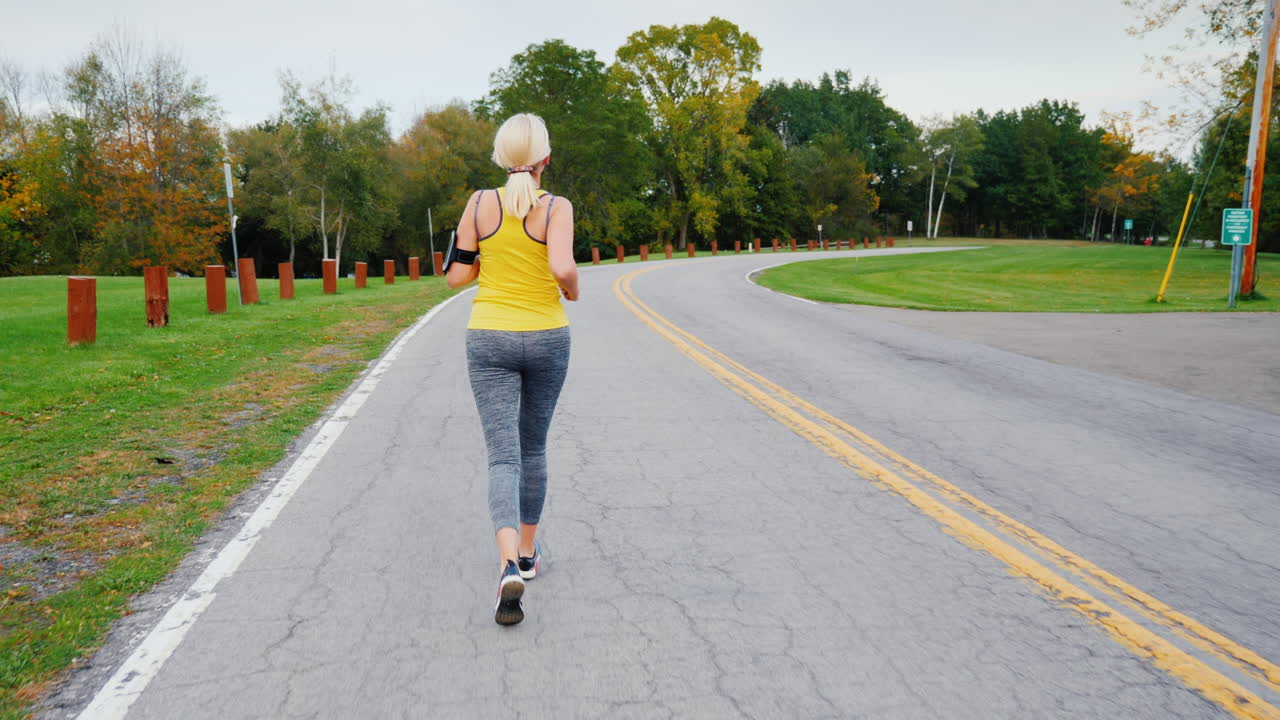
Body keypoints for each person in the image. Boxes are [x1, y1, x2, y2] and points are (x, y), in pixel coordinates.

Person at [445, 113, 579, 626]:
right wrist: (573, 290)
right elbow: (563, 268)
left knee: (503, 457)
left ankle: (506, 566)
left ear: (501, 159)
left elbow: (457, 276)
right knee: (534, 447)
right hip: (547, 335)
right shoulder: (556, 208)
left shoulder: (479, 204)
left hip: (489, 336)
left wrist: (483, 254)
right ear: (546, 159)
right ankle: (527, 552)